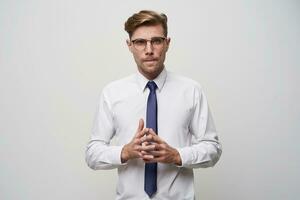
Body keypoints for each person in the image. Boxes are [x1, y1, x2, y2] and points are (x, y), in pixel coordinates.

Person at [86, 10, 222, 200]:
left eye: (156, 41)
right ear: (129, 46)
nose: (149, 50)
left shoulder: (191, 91)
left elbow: (213, 148)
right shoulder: (112, 93)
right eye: (140, 42)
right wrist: (125, 152)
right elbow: (92, 154)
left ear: (167, 44)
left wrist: (176, 156)